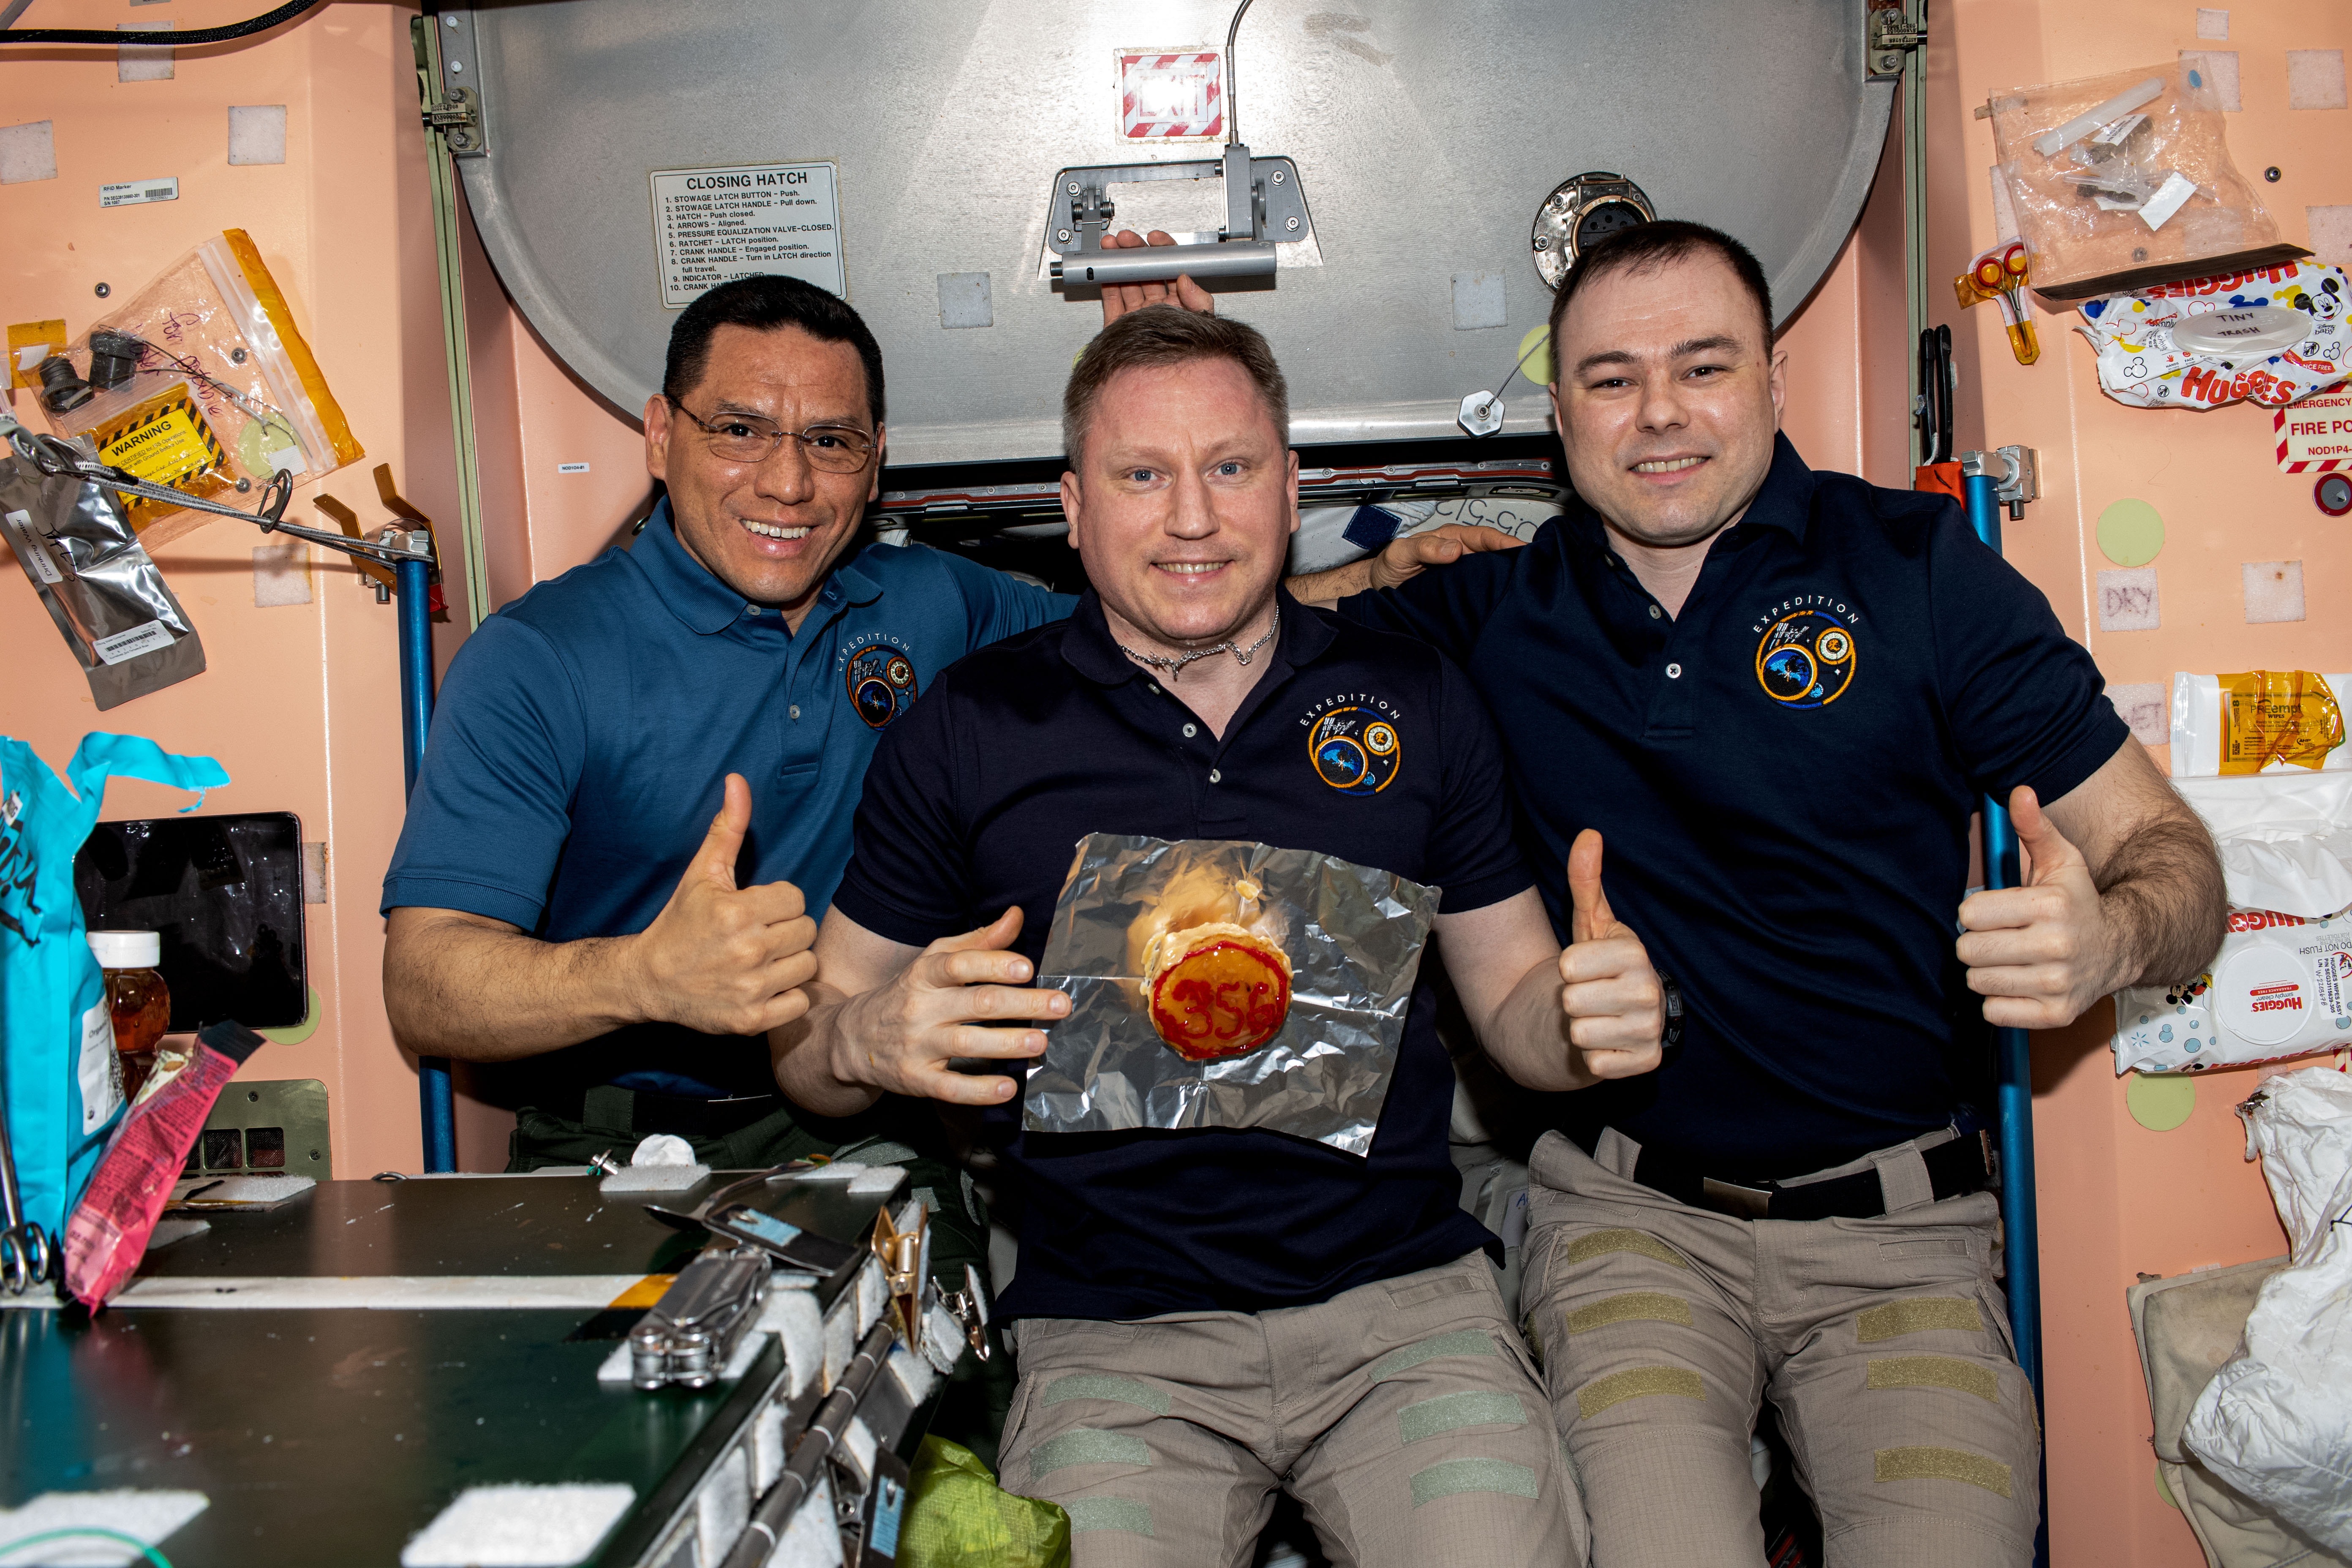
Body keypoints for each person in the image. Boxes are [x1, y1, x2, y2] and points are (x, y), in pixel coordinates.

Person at [1307, 221, 2228, 1565]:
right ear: (1558, 414)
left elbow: (2176, 858)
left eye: (1705, 365)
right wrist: (1373, 571)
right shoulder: (1495, 614)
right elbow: (1212, 628)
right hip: (1630, 1226)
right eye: (1612, 378)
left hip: (1903, 1240)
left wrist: (2110, 941)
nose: (1662, 413)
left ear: (1777, 382)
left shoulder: (1919, 573)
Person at [771, 305, 1667, 1565]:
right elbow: (809, 1042)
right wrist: (864, 1032)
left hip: (1403, 1310)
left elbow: (1516, 998)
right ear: (1075, 506)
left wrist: (1579, 1027)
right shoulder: (974, 731)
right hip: (1116, 1338)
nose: (1192, 517)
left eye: (1231, 468)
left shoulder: (1417, 702)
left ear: (1291, 488)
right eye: (1143, 475)